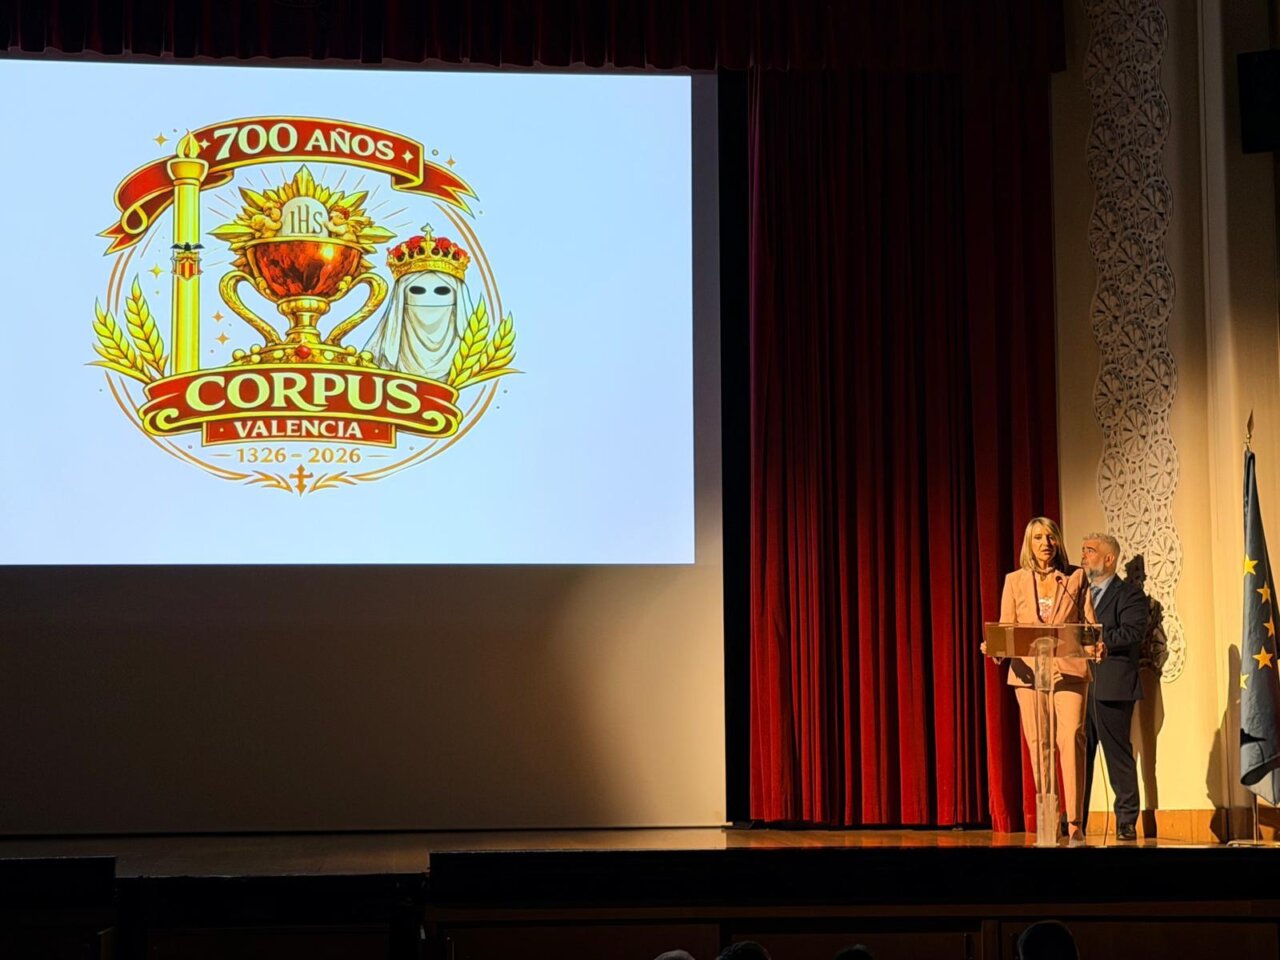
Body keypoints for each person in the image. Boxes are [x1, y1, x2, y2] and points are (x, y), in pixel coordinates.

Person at [989, 517, 1095, 844]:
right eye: (1038, 538)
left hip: (1070, 673)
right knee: (1040, 746)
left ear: (1057, 541)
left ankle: (1075, 824)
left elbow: (1089, 626)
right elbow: (1007, 631)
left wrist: (1096, 646)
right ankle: (1050, 822)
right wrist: (994, 648)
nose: (1045, 543)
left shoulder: (1075, 578)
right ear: (1029, 544)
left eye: (1050, 537)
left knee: (1072, 738)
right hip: (1029, 675)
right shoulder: (1014, 581)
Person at [1080, 532, 1146, 841]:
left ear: (1109, 558)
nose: (1084, 556)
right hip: (1078, 686)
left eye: (1090, 551)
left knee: (1118, 756)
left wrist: (1100, 641)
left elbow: (1132, 632)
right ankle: (1074, 821)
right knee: (1079, 759)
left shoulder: (1129, 594)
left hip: (1113, 685)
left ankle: (1126, 821)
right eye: (1083, 551)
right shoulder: (1078, 592)